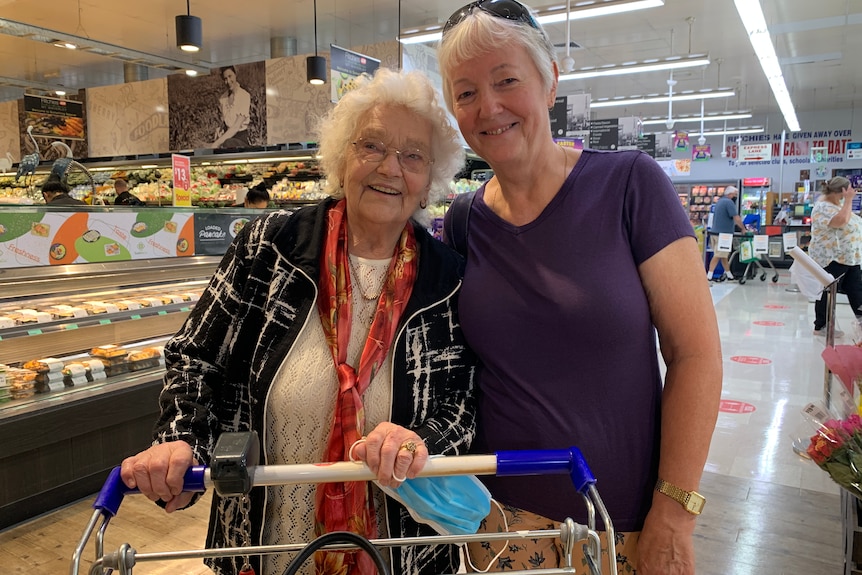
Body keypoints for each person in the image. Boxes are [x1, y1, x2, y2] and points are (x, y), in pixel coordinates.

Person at [120, 68, 476, 575]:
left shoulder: (449, 279)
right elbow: (195, 356)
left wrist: (420, 442)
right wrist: (182, 438)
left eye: (412, 155)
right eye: (371, 145)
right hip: (260, 548)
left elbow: (460, 405)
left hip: (400, 553)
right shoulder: (269, 247)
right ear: (342, 159)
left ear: (430, 182)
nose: (390, 168)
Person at [437, 2, 722, 574]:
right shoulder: (465, 219)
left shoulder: (628, 184)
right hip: (498, 527)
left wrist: (675, 511)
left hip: (621, 527)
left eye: (507, 80)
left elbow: (695, 356)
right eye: (465, 92)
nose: (488, 107)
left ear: (549, 81)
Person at [808, 176, 862, 336]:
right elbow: (840, 222)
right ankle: (821, 325)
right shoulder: (822, 207)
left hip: (849, 258)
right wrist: (848, 200)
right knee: (828, 292)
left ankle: (861, 319)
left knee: (856, 290)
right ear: (841, 192)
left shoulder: (836, 205)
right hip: (832, 257)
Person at [706, 185, 745, 281]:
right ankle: (709, 275)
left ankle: (729, 275)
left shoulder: (720, 201)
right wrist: (743, 228)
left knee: (724, 255)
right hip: (724, 234)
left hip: (715, 232)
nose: (736, 196)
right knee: (719, 254)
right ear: (730, 194)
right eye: (735, 194)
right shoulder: (729, 203)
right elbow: (736, 217)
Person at [210, 65, 251, 148]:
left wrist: (217, 143)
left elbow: (236, 127)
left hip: (240, 140)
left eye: (230, 76)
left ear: (235, 75)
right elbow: (225, 122)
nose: (228, 81)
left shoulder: (244, 96)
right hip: (227, 137)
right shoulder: (223, 99)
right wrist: (220, 130)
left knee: (227, 143)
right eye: (225, 79)